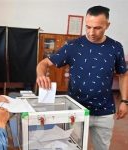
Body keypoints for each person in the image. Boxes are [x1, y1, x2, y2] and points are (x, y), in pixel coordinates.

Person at [36, 5, 128, 150]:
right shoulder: (73, 46)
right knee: (73, 147)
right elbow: (43, 63)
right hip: (76, 110)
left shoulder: (115, 47)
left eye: (97, 28)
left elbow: (123, 74)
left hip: (104, 112)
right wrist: (41, 76)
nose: (91, 32)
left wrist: (124, 101)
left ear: (107, 25)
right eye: (88, 27)